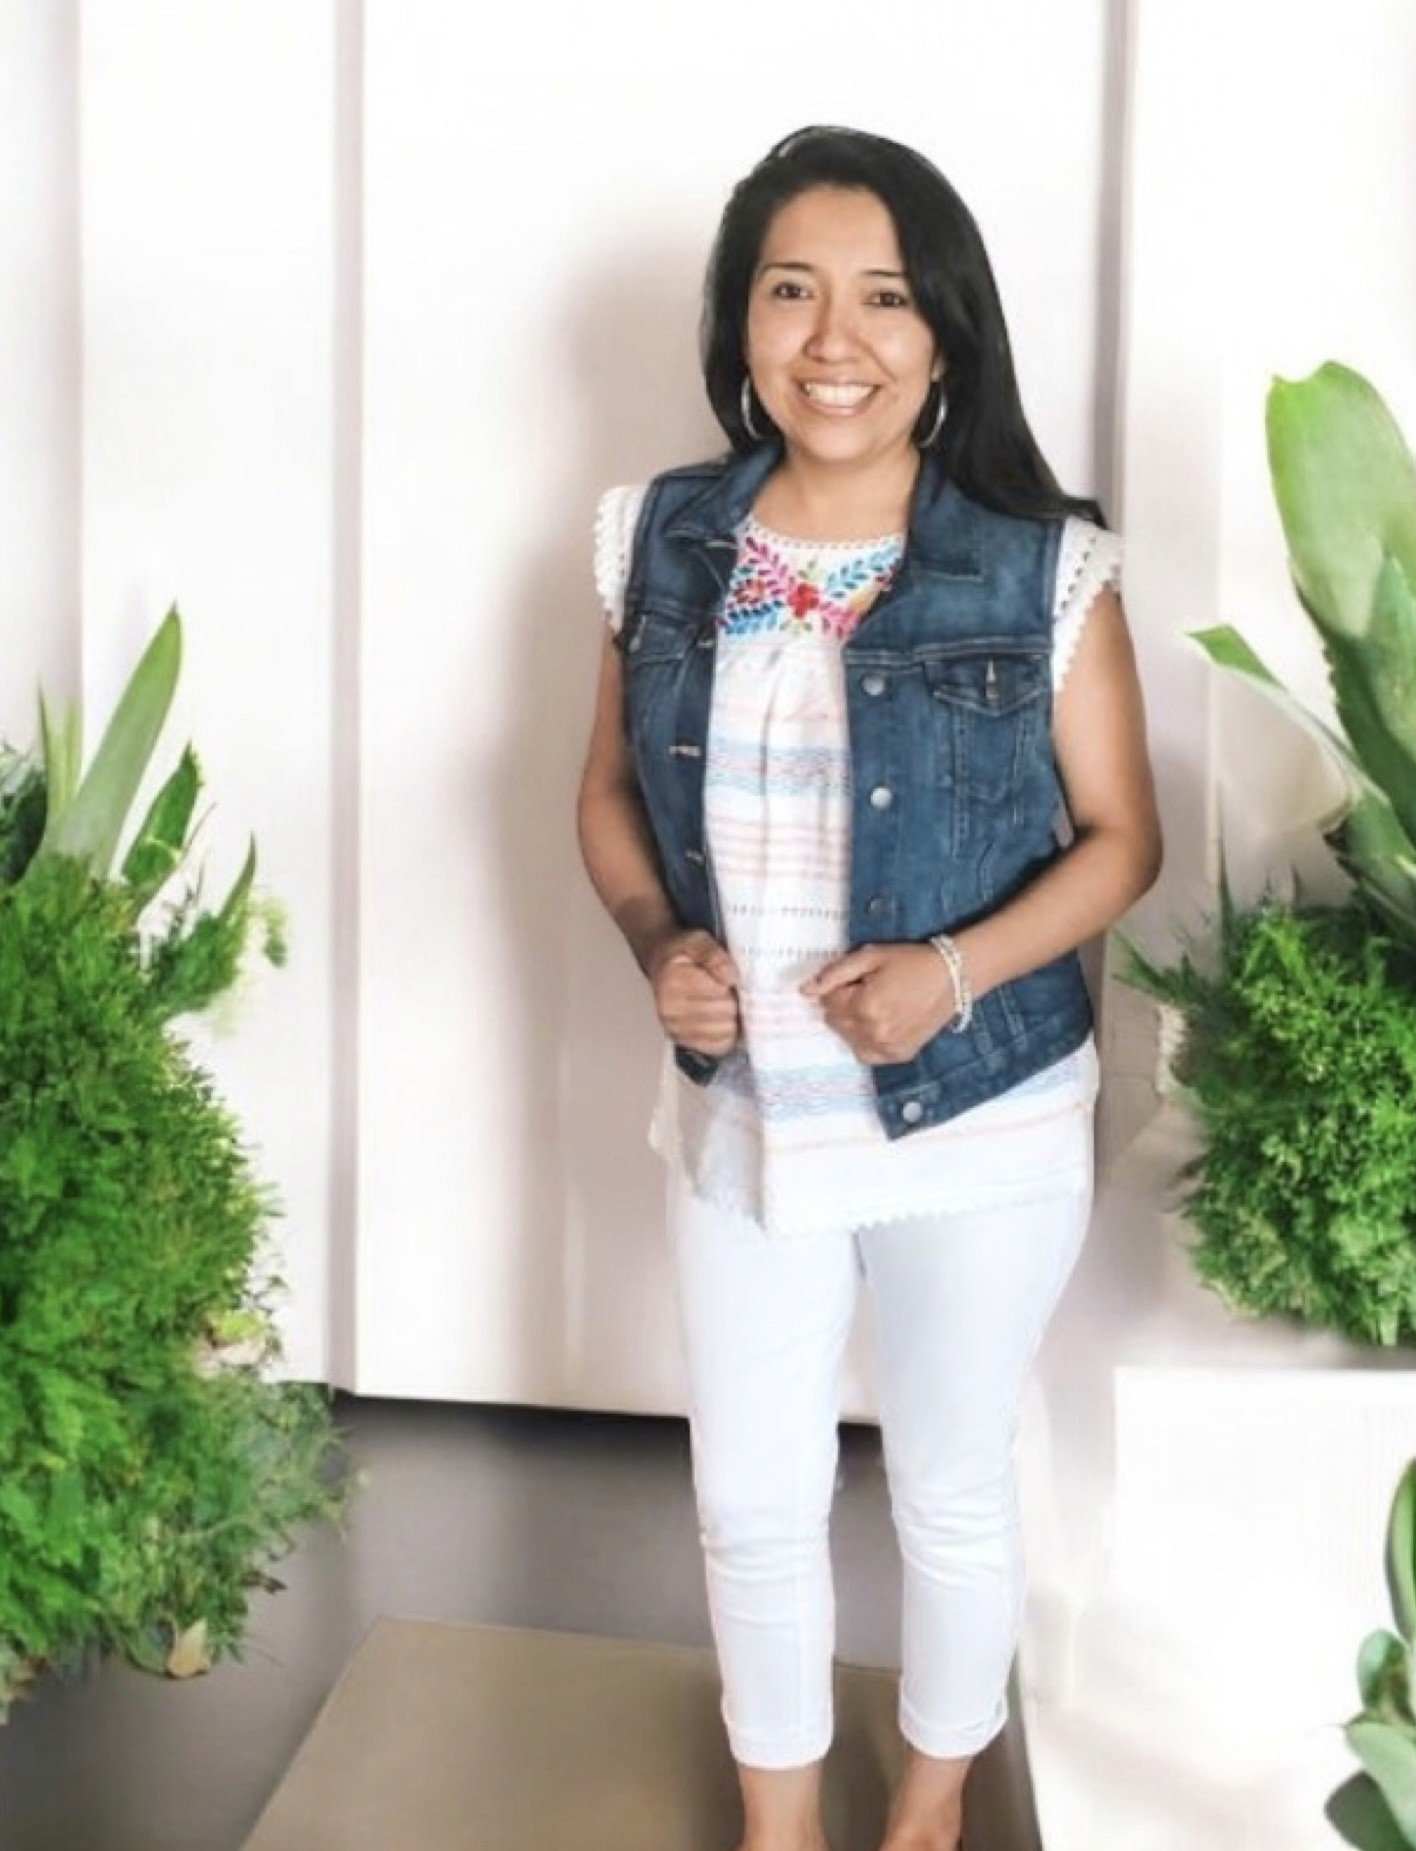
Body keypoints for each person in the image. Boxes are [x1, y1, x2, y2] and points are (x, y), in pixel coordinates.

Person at [576, 125, 1160, 1851]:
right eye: (792, 293)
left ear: (946, 332)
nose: (837, 339)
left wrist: (953, 970)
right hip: (748, 1110)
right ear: (741, 328)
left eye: (885, 297)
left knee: (949, 1490)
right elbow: (604, 796)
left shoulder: (1044, 564)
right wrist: (658, 947)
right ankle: (781, 1829)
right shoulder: (658, 538)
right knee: (751, 1494)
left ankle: (921, 1815)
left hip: (979, 1108)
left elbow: (1126, 841)